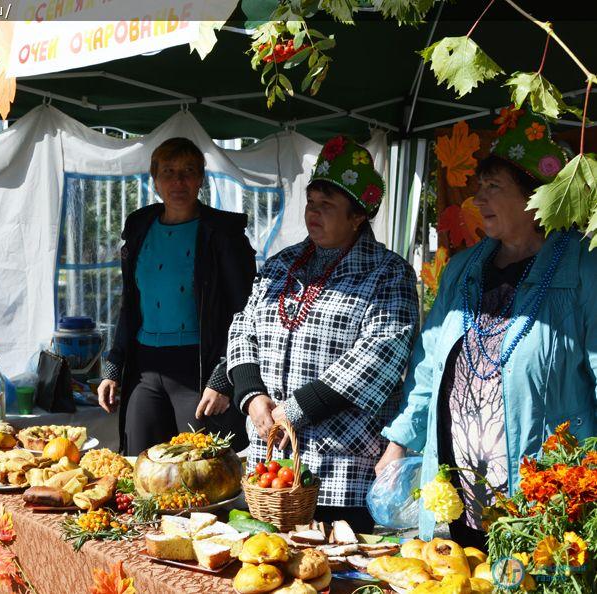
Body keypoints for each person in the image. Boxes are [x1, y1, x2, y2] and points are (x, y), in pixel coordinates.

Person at [377, 107, 597, 548]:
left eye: (493, 187)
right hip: (461, 486)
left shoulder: (583, 268)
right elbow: (429, 363)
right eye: (480, 187)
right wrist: (400, 440)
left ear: (537, 197)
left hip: (544, 487)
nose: (479, 199)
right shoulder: (464, 269)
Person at [227, 136, 419, 533]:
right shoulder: (280, 265)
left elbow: (380, 356)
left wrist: (295, 410)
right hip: (270, 468)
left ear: (358, 216)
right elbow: (243, 326)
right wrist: (253, 397)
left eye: (327, 206)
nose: (313, 214)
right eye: (311, 203)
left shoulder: (388, 273)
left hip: (340, 469)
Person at [98, 137, 255, 455]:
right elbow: (130, 305)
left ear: (201, 178)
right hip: (145, 368)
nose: (178, 181)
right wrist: (114, 367)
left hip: (199, 371)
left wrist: (225, 377)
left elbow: (246, 315)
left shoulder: (223, 235)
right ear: (154, 179)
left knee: (199, 473)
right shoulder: (140, 227)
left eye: (188, 171)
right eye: (168, 171)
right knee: (139, 467)